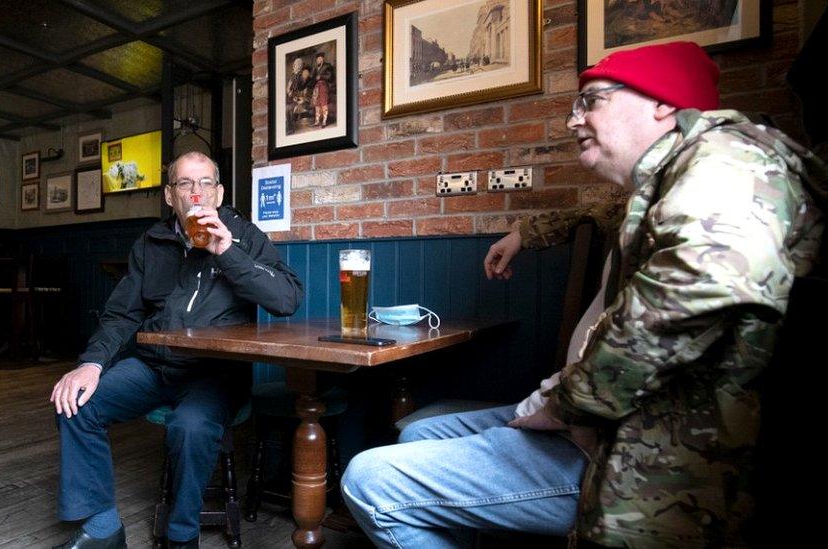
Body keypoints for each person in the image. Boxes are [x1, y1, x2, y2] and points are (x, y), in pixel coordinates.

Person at [341, 41, 826, 548]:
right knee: (417, 432)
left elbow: (702, 285)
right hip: (596, 414)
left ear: (662, 104)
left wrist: (573, 407)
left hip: (646, 450)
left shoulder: (730, 161)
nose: (573, 121)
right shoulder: (655, 188)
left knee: (368, 478)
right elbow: (591, 213)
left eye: (591, 100)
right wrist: (525, 233)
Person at [50, 151, 304, 549]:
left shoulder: (245, 236)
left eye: (205, 183)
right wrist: (92, 363)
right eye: (185, 184)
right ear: (171, 196)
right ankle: (103, 529)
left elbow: (287, 299)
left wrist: (227, 251)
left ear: (218, 192)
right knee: (76, 402)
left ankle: (182, 537)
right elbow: (121, 314)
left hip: (213, 372)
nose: (196, 192)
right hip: (153, 367)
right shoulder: (152, 241)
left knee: (190, 426)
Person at [312, 52, 334, 128]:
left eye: (320, 58)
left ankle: (324, 121)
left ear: (322, 59)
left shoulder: (327, 66)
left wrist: (321, 76)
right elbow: (313, 78)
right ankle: (317, 121)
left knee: (323, 103)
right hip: (316, 87)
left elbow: (330, 76)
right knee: (317, 104)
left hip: (323, 86)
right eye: (317, 59)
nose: (319, 60)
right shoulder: (315, 68)